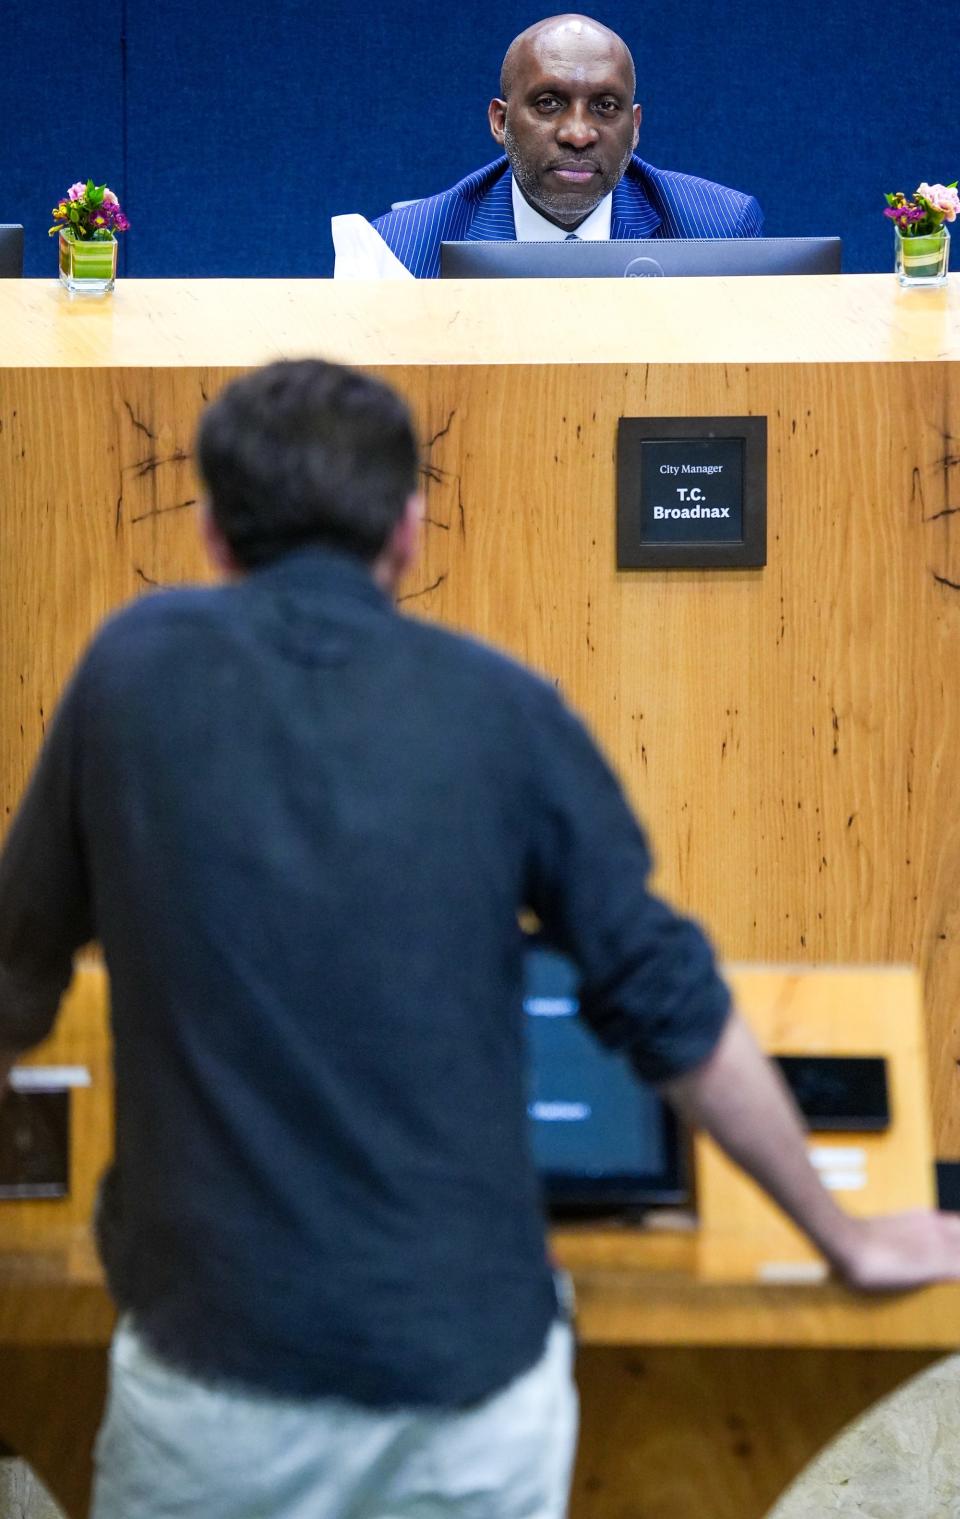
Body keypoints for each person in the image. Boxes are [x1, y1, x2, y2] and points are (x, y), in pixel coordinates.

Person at [1, 360, 959, 1519]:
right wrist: (844, 1235)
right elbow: (668, 1005)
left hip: (214, 1394)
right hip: (467, 1403)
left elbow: (14, 978)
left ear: (209, 532)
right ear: (407, 531)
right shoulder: (508, 710)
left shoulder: (130, 676)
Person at [332, 13, 763, 279]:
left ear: (634, 128)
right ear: (500, 121)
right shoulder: (402, 253)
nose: (578, 134)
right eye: (549, 103)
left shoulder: (717, 231)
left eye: (605, 106)